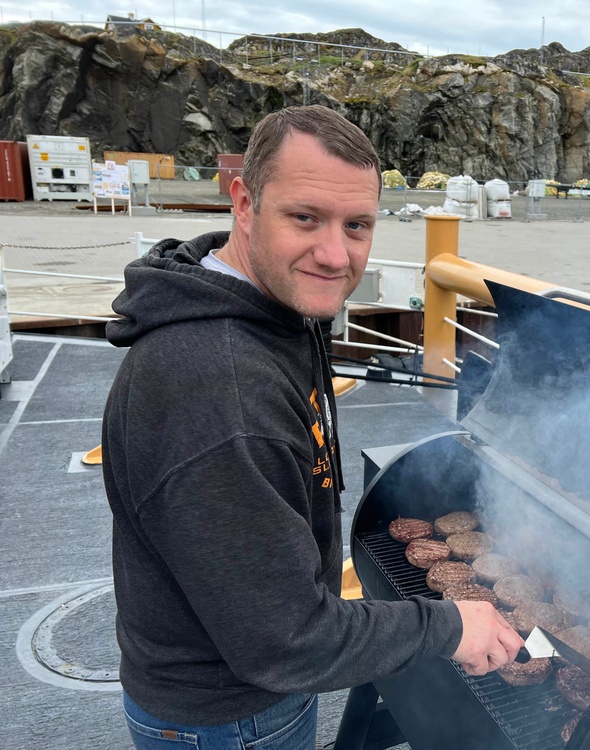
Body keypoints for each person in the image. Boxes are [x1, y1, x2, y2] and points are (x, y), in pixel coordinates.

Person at [102, 105, 522, 749]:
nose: (335, 254)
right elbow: (284, 642)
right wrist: (447, 627)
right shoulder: (221, 393)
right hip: (230, 717)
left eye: (357, 225)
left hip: (227, 686)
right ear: (244, 202)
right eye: (305, 217)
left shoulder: (267, 308)